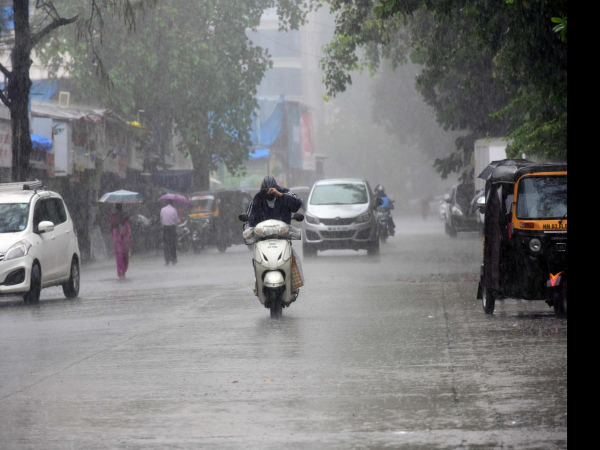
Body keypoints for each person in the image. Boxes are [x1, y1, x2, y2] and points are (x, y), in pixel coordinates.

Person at [245, 176, 304, 298]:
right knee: (256, 259)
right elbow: (249, 217)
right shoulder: (257, 199)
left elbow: (298, 203)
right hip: (263, 239)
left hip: (282, 238)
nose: (269, 194)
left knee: (294, 259)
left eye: (272, 191)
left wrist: (281, 195)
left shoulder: (284, 193)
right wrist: (247, 230)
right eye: (266, 191)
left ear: (276, 188)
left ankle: (293, 286)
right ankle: (258, 285)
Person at [110, 204, 131, 279]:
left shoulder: (126, 215)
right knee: (120, 254)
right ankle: (121, 272)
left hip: (124, 238)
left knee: (124, 255)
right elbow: (112, 226)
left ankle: (123, 271)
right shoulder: (113, 216)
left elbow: (128, 227)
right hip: (118, 238)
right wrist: (118, 223)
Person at [160, 199, 179, 265]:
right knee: (173, 244)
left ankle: (167, 260)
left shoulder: (162, 210)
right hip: (172, 228)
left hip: (165, 228)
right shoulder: (174, 210)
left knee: (166, 245)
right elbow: (176, 220)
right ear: (172, 203)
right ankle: (174, 259)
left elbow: (161, 219)